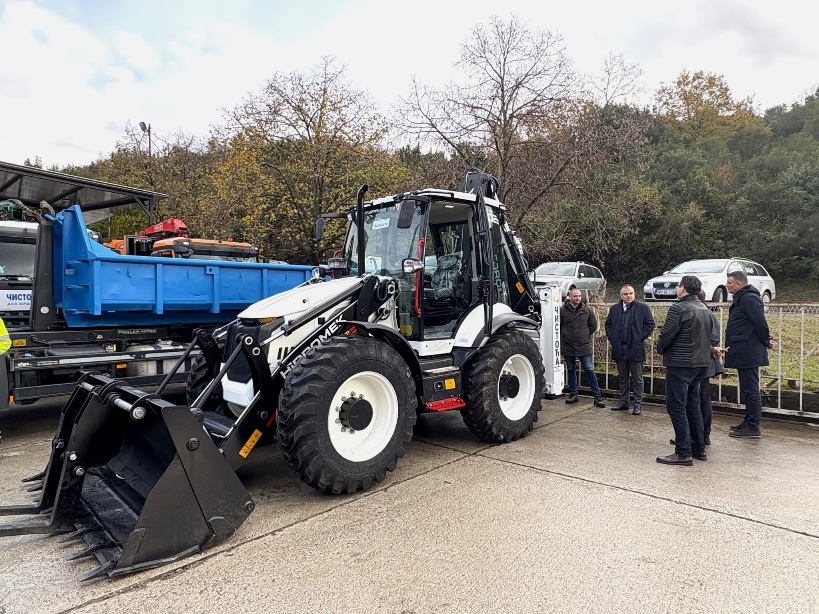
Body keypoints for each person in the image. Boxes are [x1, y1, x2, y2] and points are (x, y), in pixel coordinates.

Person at [655, 276, 713, 466]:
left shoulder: (679, 308)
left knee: (676, 406)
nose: (677, 288)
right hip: (700, 364)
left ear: (684, 289)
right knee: (693, 405)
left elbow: (667, 334)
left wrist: (660, 348)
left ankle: (683, 452)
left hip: (681, 364)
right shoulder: (705, 309)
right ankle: (698, 448)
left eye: (679, 285)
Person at [723, 270, 776, 439]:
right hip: (743, 349)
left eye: (729, 282)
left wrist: (767, 340)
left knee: (751, 389)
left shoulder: (749, 298)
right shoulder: (743, 298)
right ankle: (748, 421)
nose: (726, 285)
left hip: (748, 350)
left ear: (739, 284)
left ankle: (753, 426)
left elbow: (759, 322)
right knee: (747, 389)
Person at [670, 290, 723, 447]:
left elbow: (712, 339)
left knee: (700, 400)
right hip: (699, 361)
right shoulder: (703, 312)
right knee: (693, 401)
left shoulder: (703, 314)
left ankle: (702, 436)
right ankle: (692, 437)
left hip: (701, 362)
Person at [604, 285, 655, 415]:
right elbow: (608, 324)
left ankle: (637, 404)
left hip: (635, 348)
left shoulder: (642, 308)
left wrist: (640, 337)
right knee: (623, 377)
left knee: (637, 378)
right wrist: (613, 337)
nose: (629, 296)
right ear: (621, 296)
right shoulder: (615, 309)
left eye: (631, 293)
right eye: (626, 294)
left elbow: (650, 324)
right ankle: (624, 402)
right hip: (619, 347)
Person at [560, 288, 605, 407]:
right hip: (568, 345)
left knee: (589, 369)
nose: (578, 298)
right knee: (570, 369)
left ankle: (597, 396)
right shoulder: (563, 311)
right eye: (575, 296)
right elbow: (559, 325)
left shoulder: (587, 310)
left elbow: (593, 325)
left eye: (579, 296)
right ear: (569, 297)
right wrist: (564, 336)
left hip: (583, 345)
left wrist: (585, 336)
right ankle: (573, 394)